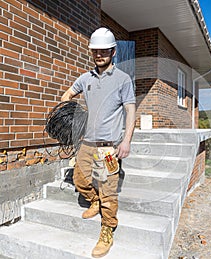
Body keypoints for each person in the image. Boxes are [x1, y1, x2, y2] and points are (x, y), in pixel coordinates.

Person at [61, 27, 136, 258]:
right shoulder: (85, 78)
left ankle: (107, 230)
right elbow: (67, 95)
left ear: (113, 52)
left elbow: (130, 111)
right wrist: (70, 109)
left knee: (108, 189)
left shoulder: (123, 80)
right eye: (95, 51)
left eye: (104, 51)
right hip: (86, 142)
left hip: (108, 146)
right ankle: (93, 201)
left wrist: (126, 141)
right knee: (80, 180)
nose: (99, 55)